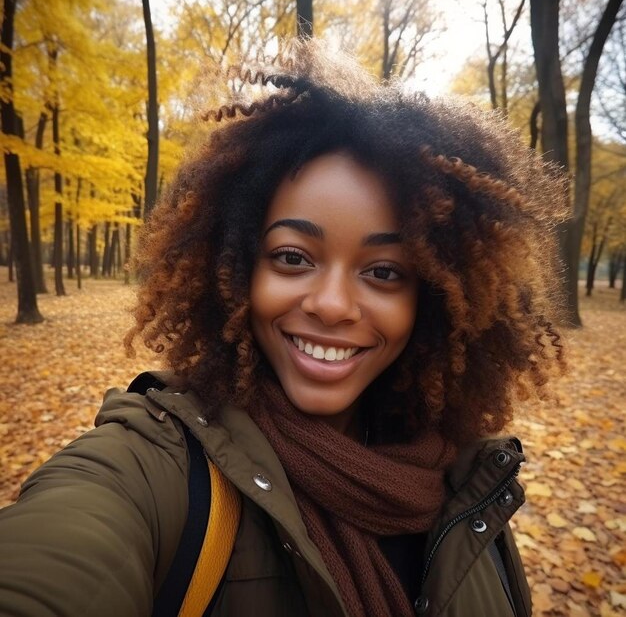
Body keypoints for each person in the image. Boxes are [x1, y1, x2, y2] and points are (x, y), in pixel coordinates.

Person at [0, 40, 567, 617]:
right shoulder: (156, 470)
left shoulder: (468, 493)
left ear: (435, 300)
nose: (331, 305)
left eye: (384, 272)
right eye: (294, 258)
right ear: (238, 269)